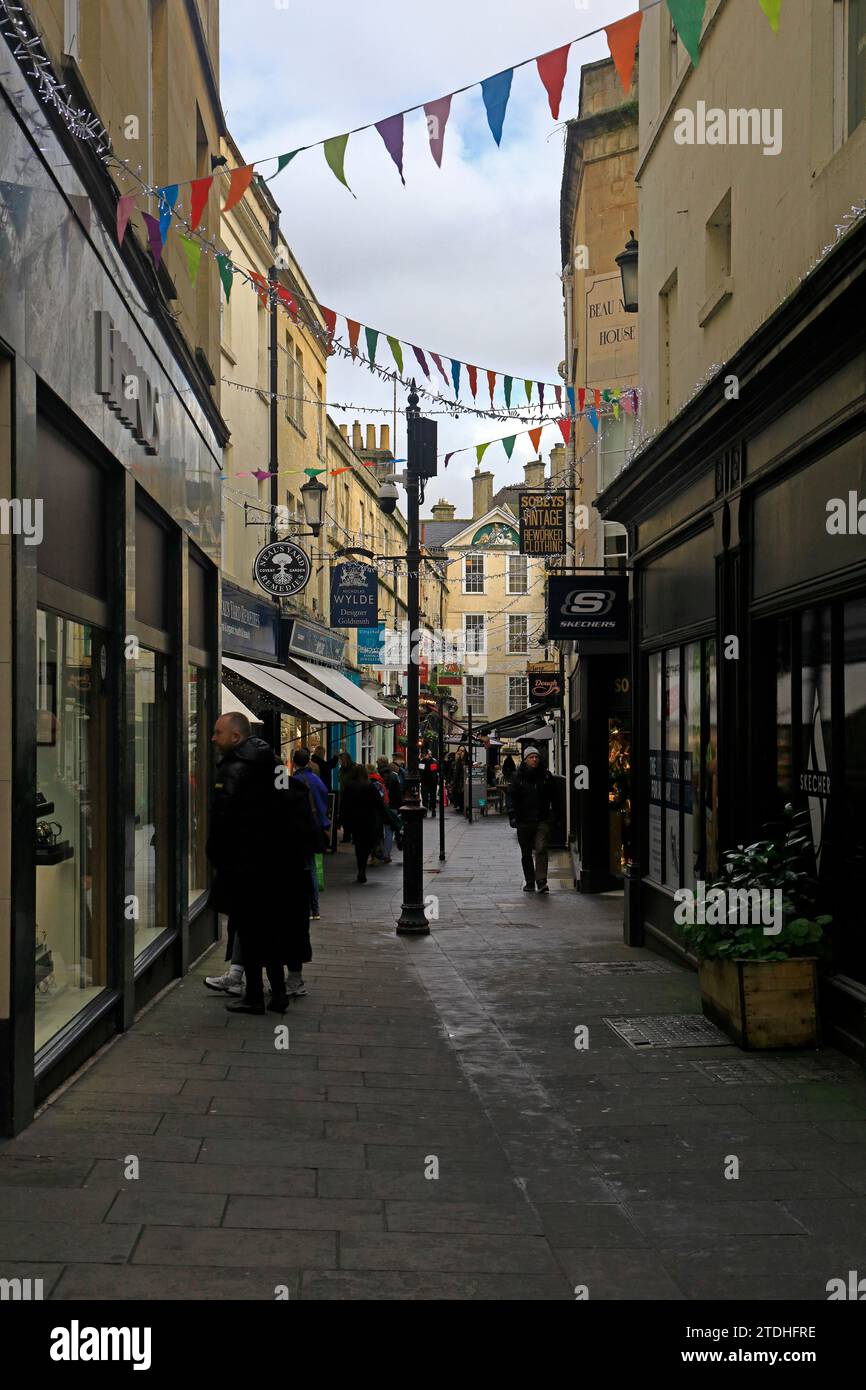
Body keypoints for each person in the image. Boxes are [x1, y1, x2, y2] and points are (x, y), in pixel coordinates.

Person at [206, 713, 317, 1012]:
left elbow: (222, 818)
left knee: (249, 929)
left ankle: (254, 996)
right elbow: (286, 810)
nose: (213, 738)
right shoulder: (273, 765)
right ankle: (277, 993)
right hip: (278, 865)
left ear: (235, 737)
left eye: (218, 733)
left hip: (245, 865)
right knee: (270, 929)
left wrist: (216, 857)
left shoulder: (234, 768)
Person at [506, 746, 555, 893]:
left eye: (536, 757)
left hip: (541, 819)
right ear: (525, 760)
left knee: (541, 848)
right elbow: (511, 797)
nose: (535, 759)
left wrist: (556, 816)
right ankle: (529, 881)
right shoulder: (517, 777)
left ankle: (541, 881)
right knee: (526, 853)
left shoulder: (546, 776)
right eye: (531, 757)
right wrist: (512, 815)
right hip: (524, 820)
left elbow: (554, 797)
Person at [291, 748, 330, 920]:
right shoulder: (317, 780)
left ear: (294, 762)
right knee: (311, 867)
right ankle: (315, 909)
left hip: (299, 830)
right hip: (315, 829)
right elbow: (324, 803)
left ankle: (305, 907)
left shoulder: (293, 781)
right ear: (308, 762)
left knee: (300, 868)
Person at [339, 765, 385, 882]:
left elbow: (344, 805)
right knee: (366, 844)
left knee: (359, 845)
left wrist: (342, 820)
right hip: (369, 820)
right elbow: (380, 804)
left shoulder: (349, 787)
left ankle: (361, 869)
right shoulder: (370, 787)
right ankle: (363, 867)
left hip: (355, 821)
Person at [337, 751, 356, 843]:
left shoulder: (352, 768)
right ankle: (347, 836)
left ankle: (352, 836)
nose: (339, 761)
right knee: (345, 816)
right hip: (344, 794)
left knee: (351, 816)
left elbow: (348, 781)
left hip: (351, 795)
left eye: (341, 759)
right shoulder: (342, 769)